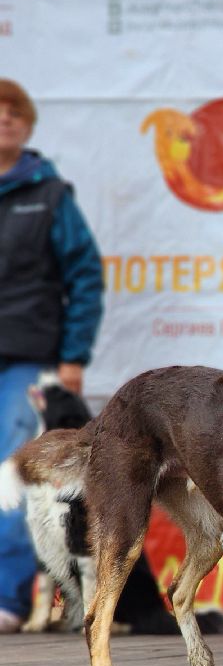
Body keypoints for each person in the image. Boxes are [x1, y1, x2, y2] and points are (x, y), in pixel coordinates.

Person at [0, 79, 105, 633]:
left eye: (14, 113)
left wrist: (72, 356)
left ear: (28, 124)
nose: (5, 120)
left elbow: (84, 276)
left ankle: (9, 598)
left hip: (25, 355)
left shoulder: (49, 193)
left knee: (13, 475)